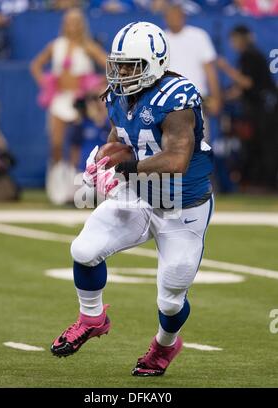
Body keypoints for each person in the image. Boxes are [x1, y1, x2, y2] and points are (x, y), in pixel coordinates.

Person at [51, 22, 214, 377]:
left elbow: (176, 160)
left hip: (182, 208)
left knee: (170, 301)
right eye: (118, 64)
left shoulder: (178, 99)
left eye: (130, 65)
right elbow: (121, 134)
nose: (121, 72)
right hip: (139, 195)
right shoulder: (119, 93)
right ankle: (92, 319)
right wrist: (106, 158)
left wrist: (125, 166)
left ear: (154, 63)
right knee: (84, 250)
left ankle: (164, 346)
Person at [30, 8, 106, 203]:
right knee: (56, 144)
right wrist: (45, 84)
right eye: (69, 22)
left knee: (77, 145)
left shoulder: (88, 46)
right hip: (59, 99)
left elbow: (108, 64)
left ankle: (75, 188)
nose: (72, 25)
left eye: (76, 22)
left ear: (81, 25)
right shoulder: (56, 45)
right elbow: (36, 65)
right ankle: (56, 184)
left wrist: (96, 86)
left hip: (79, 102)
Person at [217, 25, 278, 189]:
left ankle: (269, 186)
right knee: (255, 147)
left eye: (234, 40)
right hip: (258, 109)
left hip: (265, 110)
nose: (232, 44)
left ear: (240, 38)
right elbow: (240, 89)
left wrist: (225, 68)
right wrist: (221, 97)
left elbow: (247, 82)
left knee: (267, 148)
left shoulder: (250, 55)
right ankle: (259, 183)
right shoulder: (248, 56)